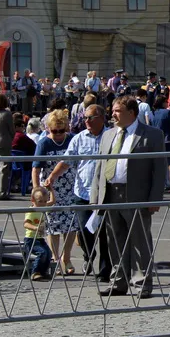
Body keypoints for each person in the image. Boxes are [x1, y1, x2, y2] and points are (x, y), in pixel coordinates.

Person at [90, 96, 166, 298]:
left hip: (137, 195)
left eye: (117, 111)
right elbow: (99, 168)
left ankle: (141, 283)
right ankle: (118, 282)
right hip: (111, 194)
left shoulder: (152, 135)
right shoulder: (108, 135)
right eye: (112, 111)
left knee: (139, 241)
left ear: (131, 113)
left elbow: (159, 169)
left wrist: (155, 198)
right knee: (114, 240)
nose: (112, 115)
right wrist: (95, 198)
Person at [42, 104, 110, 279]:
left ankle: (105, 270)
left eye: (90, 118)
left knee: (104, 233)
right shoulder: (79, 138)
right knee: (83, 229)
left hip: (104, 193)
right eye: (85, 118)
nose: (86, 121)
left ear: (101, 118)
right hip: (82, 192)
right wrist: (52, 176)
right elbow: (66, 161)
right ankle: (88, 254)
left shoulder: (111, 136)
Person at [32, 108, 78, 275]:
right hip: (52, 189)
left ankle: (67, 257)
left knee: (71, 225)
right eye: (54, 130)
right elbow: (36, 168)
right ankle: (55, 258)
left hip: (71, 187)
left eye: (62, 130)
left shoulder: (72, 139)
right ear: (48, 129)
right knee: (53, 226)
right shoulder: (44, 143)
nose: (58, 134)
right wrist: (37, 190)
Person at [149, 95, 170, 199]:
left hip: (156, 140)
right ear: (163, 103)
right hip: (167, 140)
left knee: (157, 165)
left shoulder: (153, 113)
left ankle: (158, 187)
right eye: (166, 102)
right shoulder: (167, 112)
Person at [23, 186, 55, 281]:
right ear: (33, 200)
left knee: (48, 253)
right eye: (40, 201)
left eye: (45, 201)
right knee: (42, 253)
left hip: (40, 238)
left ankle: (43, 272)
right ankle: (35, 272)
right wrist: (35, 228)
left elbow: (53, 202)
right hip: (31, 239)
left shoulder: (43, 207)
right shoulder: (31, 211)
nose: (43, 204)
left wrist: (51, 190)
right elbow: (26, 223)